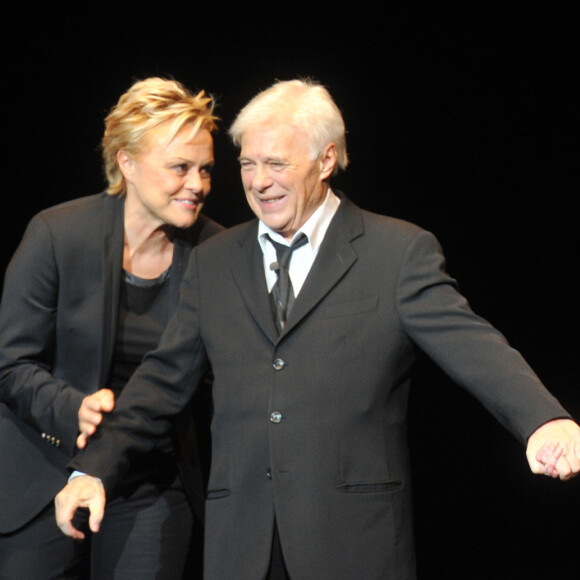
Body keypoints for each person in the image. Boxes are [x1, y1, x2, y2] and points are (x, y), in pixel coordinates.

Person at [54, 79, 580, 580]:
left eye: (277, 163)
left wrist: (542, 420)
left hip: (351, 540)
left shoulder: (395, 253)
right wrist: (92, 470)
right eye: (248, 164)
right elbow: (162, 381)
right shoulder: (215, 262)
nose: (259, 182)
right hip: (242, 544)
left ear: (327, 159)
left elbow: (471, 343)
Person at [0, 77, 222, 579]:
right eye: (180, 167)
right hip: (45, 468)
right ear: (127, 162)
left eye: (205, 169)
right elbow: (9, 363)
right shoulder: (57, 234)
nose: (197, 184)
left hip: (149, 480)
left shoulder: (217, 253)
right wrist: (71, 407)